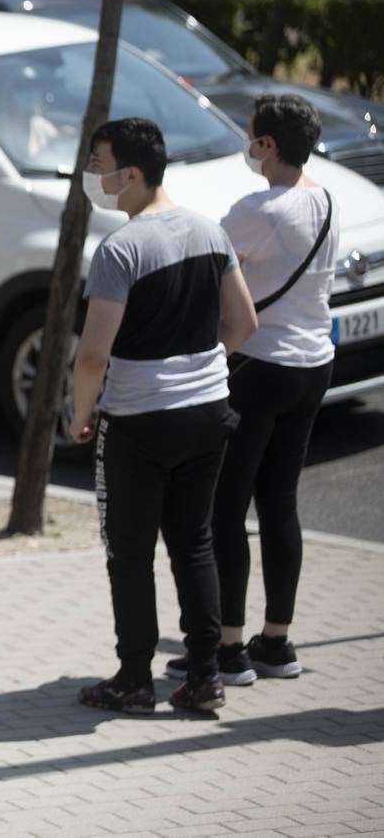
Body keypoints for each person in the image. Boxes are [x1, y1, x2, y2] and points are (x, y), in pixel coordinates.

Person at [69, 118, 258, 715]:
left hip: (139, 420)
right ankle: (205, 676)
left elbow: (94, 352)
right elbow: (244, 323)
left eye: (98, 163)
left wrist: (81, 412)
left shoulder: (120, 250)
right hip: (208, 413)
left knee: (129, 552)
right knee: (193, 542)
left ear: (131, 174)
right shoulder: (209, 231)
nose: (91, 175)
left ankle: (133, 679)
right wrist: (203, 365)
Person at [168, 95, 339, 686]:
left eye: (251, 137)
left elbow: (209, 264)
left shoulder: (257, 208)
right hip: (313, 366)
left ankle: (228, 650)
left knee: (224, 509)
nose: (247, 145)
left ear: (267, 145)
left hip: (258, 369)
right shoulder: (326, 199)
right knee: (280, 504)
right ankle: (277, 642)